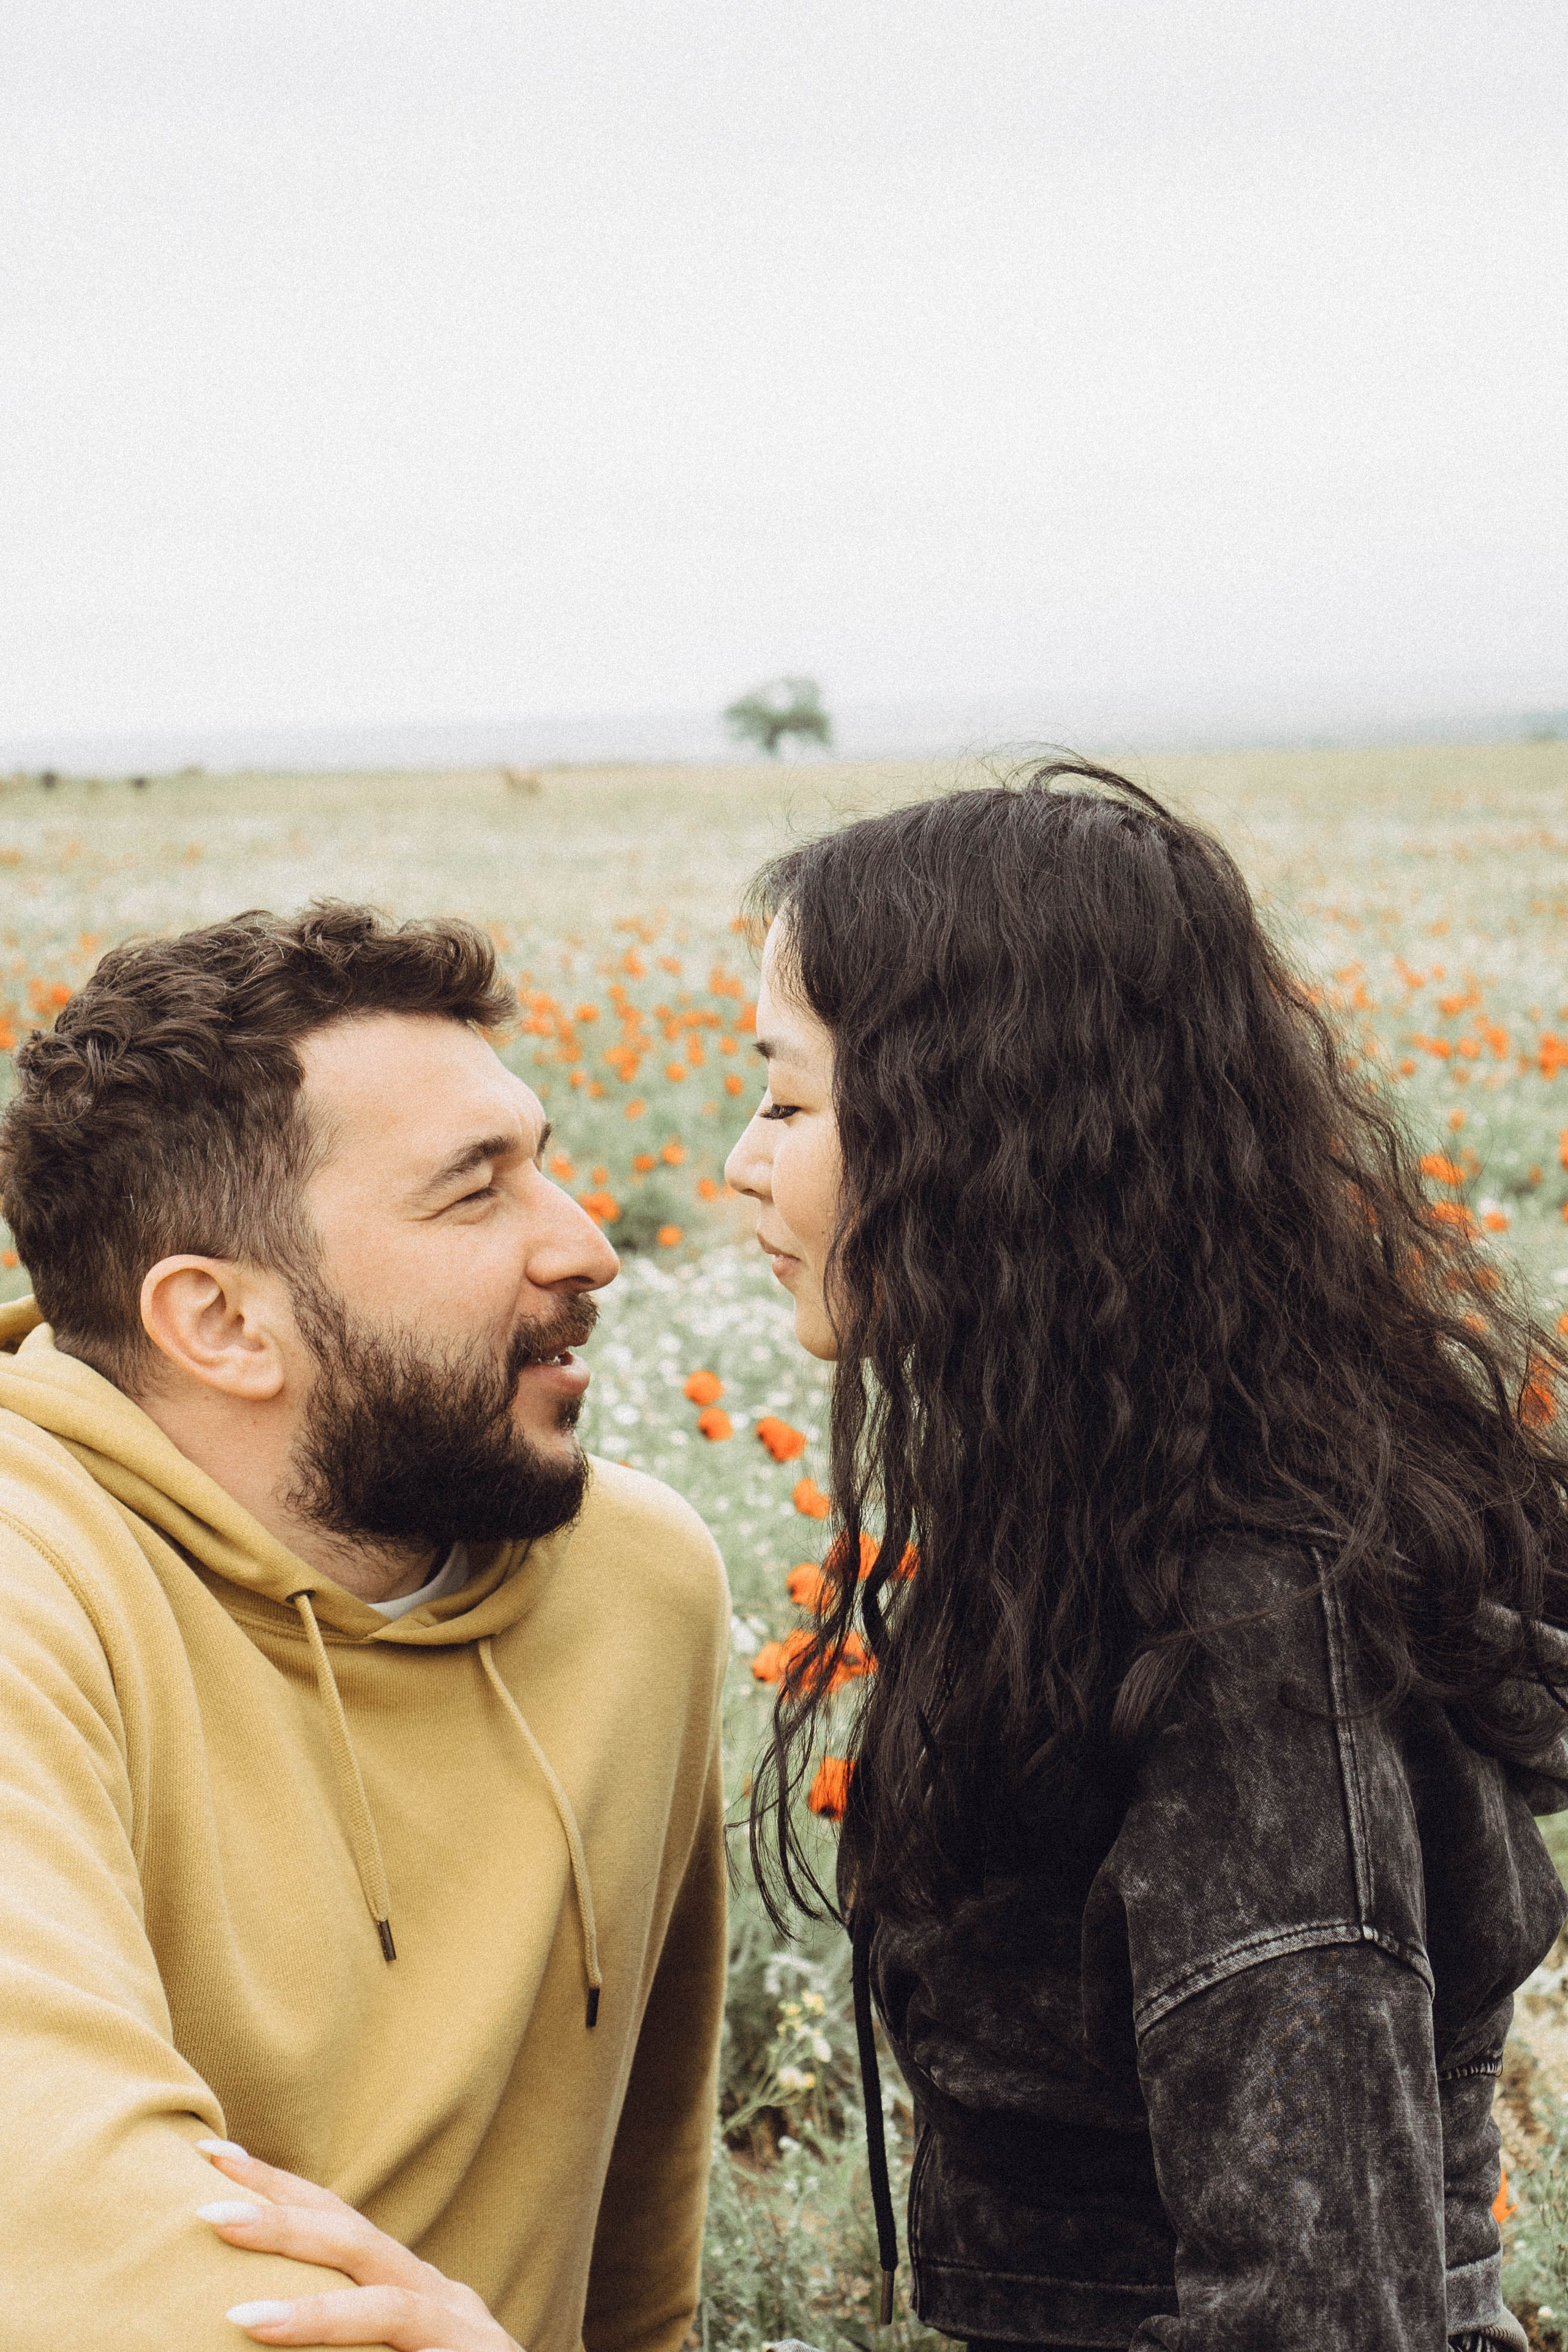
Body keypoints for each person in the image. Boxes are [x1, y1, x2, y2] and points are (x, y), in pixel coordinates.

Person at [725, 763, 1568, 2352]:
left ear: (976, 1131)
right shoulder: (1096, 1520)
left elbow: (1319, 2318)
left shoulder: (1241, 1639)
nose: (738, 1163)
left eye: (783, 1097)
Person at [0, 904, 729, 2352]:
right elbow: (70, 2257)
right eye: (475, 1195)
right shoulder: (37, 1590)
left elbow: (641, 2253)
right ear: (219, 1323)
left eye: (546, 1166)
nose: (587, 1248)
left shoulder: (638, 1582)